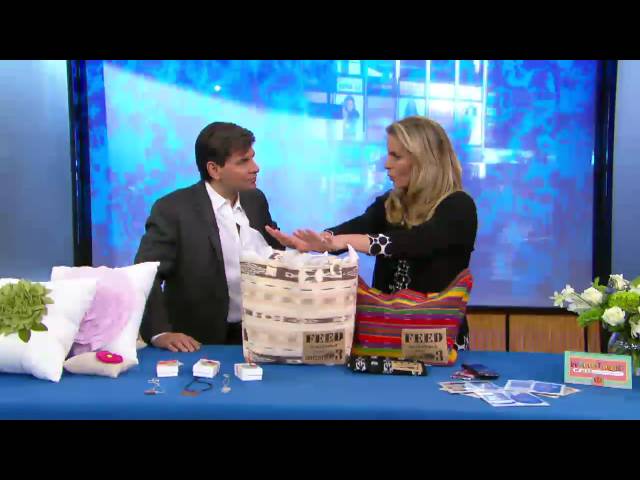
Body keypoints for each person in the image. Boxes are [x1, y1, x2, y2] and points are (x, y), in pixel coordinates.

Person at [267, 116, 477, 349]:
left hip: (438, 340)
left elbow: (412, 243)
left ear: (423, 160)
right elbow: (357, 226)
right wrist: (318, 242)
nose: (386, 163)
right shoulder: (391, 202)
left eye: (396, 156)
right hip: (385, 335)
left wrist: (340, 241)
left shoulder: (459, 206)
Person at [135, 122, 284, 352]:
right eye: (243, 161)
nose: (255, 168)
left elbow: (272, 255)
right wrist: (160, 332)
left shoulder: (255, 200)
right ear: (214, 169)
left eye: (253, 158)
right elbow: (145, 273)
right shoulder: (173, 209)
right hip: (197, 342)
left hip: (256, 336)